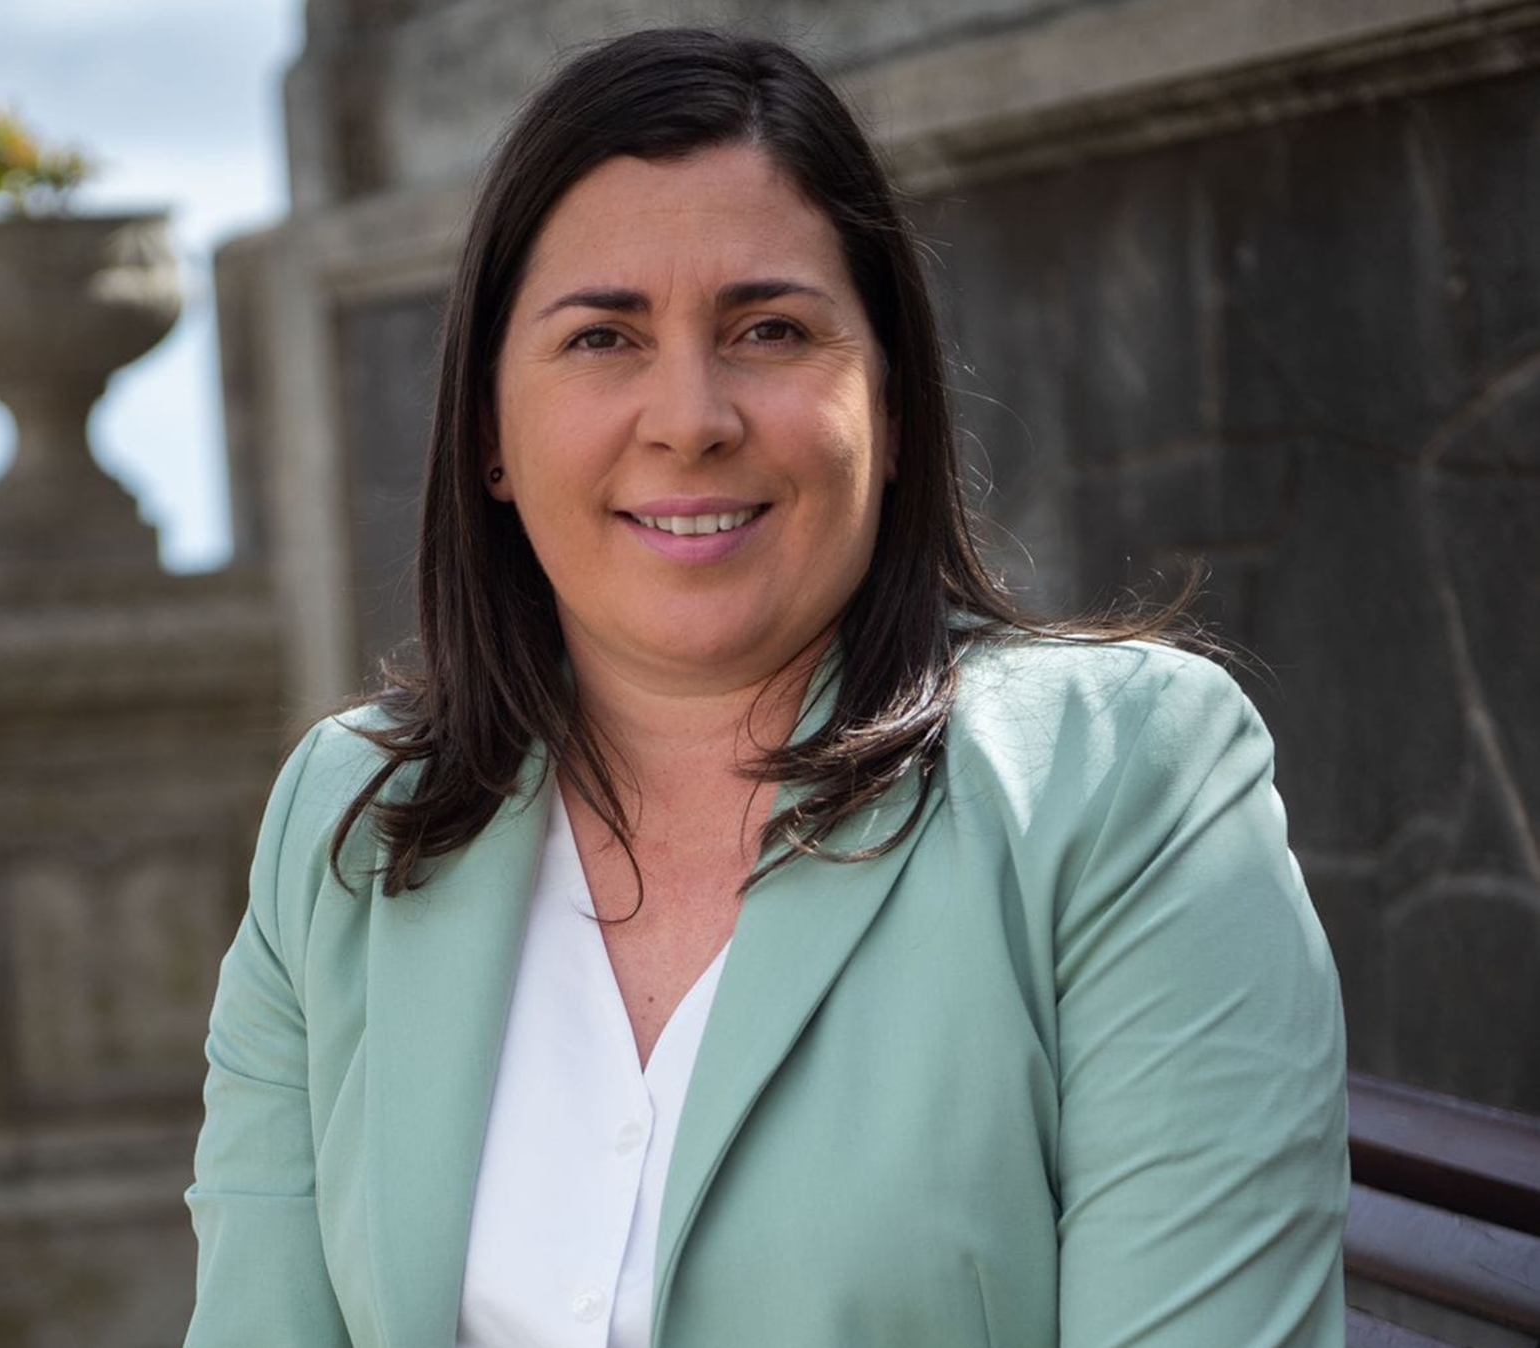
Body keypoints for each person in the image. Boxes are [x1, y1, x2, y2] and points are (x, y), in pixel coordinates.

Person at [184, 26, 1348, 1348]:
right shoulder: (346, 821)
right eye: (603, 337)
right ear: (491, 432)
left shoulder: (1121, 781)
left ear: (891, 407)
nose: (690, 418)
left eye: (770, 329)